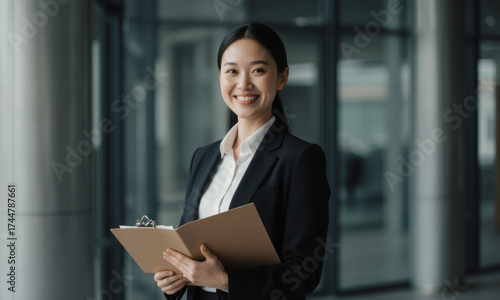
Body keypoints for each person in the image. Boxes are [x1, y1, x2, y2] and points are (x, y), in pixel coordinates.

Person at [154, 23, 330, 300]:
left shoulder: (300, 159)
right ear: (220, 77)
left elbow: (305, 271)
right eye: (232, 71)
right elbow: (187, 245)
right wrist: (174, 278)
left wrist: (227, 281)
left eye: (258, 70)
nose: (243, 84)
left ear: (282, 77)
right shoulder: (203, 157)